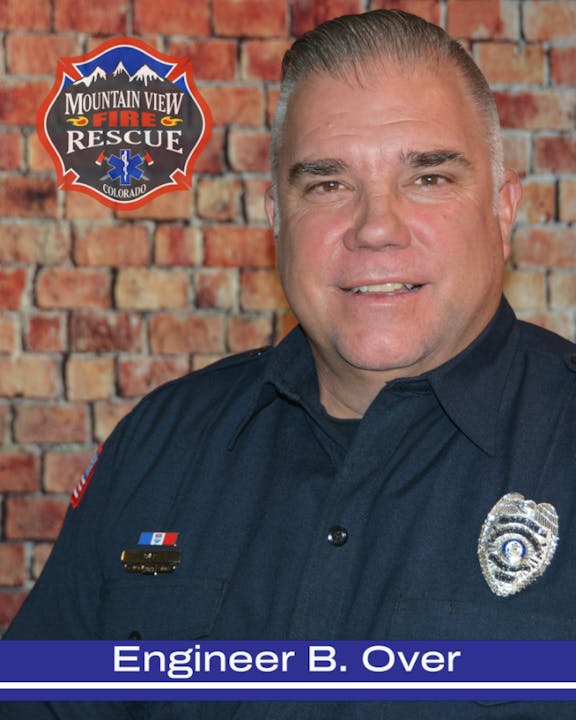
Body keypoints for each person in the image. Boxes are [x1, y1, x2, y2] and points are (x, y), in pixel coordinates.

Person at [3, 8, 576, 720]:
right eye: (327, 184)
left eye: (428, 177)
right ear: (276, 217)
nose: (375, 228)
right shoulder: (161, 446)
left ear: (504, 208)